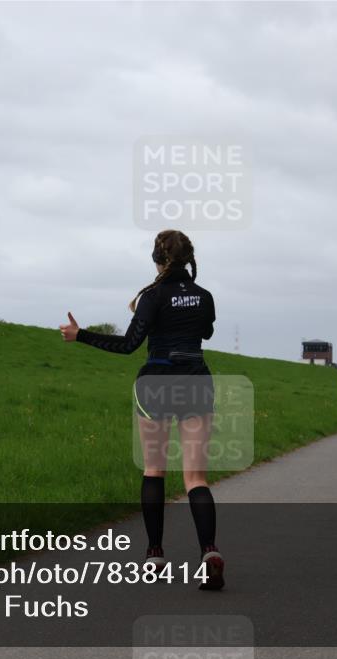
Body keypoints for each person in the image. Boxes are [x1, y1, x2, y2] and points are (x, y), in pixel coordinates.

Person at [59, 229, 224, 591]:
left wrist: (81, 335)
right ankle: (209, 552)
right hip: (196, 379)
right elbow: (207, 333)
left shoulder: (152, 295)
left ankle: (155, 554)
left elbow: (130, 345)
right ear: (189, 257)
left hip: (157, 382)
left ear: (157, 259)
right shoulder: (204, 296)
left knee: (155, 470)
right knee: (196, 477)